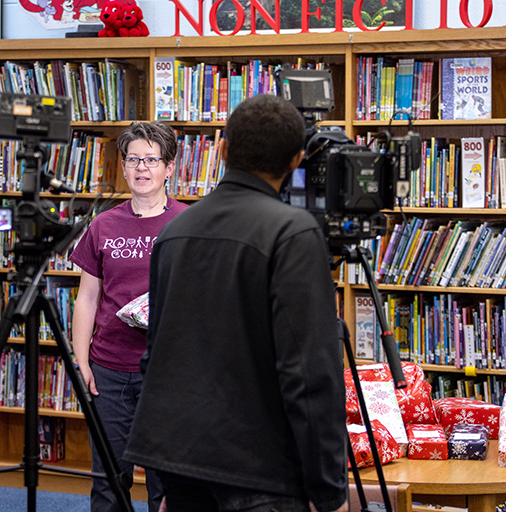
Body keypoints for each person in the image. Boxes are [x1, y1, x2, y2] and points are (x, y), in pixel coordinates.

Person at [124, 95, 349, 512]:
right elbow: (308, 372)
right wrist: (328, 488)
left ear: (223, 150)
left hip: (179, 457)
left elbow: (158, 353)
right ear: (296, 161)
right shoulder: (292, 232)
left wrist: (171, 484)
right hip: (260, 466)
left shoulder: (176, 230)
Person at [70, 121, 189, 512]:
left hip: (168, 371)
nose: (142, 168)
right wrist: (81, 360)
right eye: (134, 159)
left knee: (168, 481)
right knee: (108, 479)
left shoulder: (189, 224)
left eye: (152, 159)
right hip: (109, 371)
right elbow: (88, 297)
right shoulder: (104, 225)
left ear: (169, 168)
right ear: (123, 166)